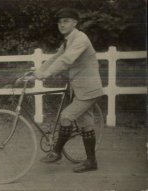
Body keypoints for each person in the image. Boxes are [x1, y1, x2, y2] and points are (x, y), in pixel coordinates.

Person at [29, 8, 104, 173]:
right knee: (86, 124)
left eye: (66, 21)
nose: (61, 25)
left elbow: (66, 60)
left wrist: (46, 74)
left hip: (88, 88)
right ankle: (91, 162)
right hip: (79, 89)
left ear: (75, 23)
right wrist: (38, 72)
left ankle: (56, 152)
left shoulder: (80, 39)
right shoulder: (68, 40)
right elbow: (56, 57)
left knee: (66, 116)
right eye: (59, 22)